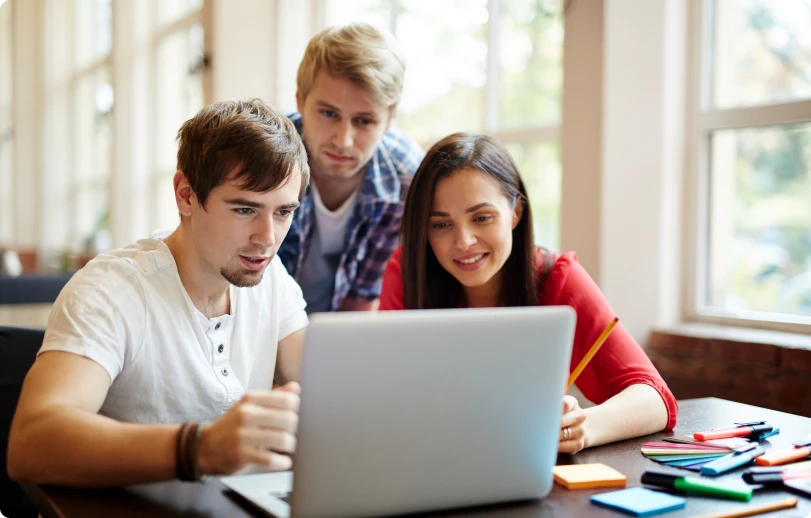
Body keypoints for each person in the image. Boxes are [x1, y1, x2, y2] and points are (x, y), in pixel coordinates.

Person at [8, 99, 310, 487]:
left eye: (283, 212)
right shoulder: (110, 291)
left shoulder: (273, 279)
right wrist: (198, 448)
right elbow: (32, 445)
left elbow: (329, 396)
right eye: (244, 209)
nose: (268, 239)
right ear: (186, 195)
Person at [379, 133, 678, 454]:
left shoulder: (557, 278)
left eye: (481, 218)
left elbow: (656, 399)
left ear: (516, 212)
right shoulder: (405, 275)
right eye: (441, 225)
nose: (463, 241)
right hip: (428, 463)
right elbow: (382, 398)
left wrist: (584, 427)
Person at [278, 22, 425, 313]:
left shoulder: (406, 180)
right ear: (300, 101)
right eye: (329, 113)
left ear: (389, 119)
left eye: (363, 121)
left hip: (335, 333)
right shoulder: (260, 156)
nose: (343, 141)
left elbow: (361, 301)